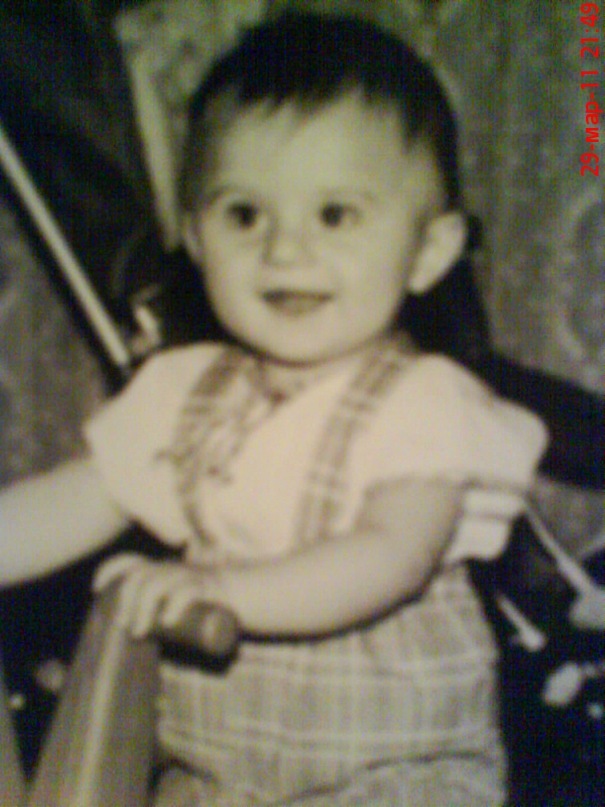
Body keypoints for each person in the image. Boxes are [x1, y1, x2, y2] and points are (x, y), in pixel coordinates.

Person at [0, 12, 548, 805]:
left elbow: (388, 556)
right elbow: (79, 497)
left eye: (334, 214)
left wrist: (224, 588)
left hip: (391, 769)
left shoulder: (425, 402)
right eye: (244, 215)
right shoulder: (182, 389)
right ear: (195, 239)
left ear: (428, 251)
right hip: (213, 773)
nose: (284, 249)